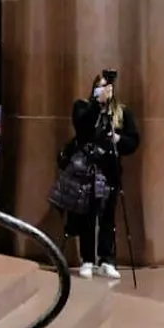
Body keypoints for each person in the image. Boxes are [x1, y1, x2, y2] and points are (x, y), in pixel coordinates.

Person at [65, 71, 140, 280]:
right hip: (87, 170)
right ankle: (87, 259)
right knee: (87, 216)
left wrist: (118, 139)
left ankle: (107, 259)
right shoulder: (83, 107)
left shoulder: (121, 112)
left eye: (108, 87)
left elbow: (133, 140)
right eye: (101, 86)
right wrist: (97, 105)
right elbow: (82, 130)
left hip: (110, 171)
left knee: (107, 217)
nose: (106, 90)